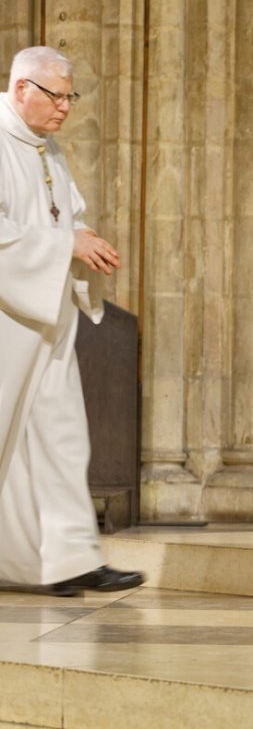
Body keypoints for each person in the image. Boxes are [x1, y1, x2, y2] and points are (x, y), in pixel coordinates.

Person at [0, 46, 143, 596]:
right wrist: (67, 244)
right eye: (55, 95)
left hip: (46, 316)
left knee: (62, 439)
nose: (65, 107)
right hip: (9, 318)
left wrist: (83, 244)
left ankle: (69, 560)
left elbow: (68, 217)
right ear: (20, 89)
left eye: (70, 96)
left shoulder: (48, 150)